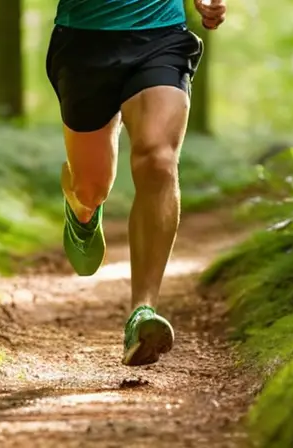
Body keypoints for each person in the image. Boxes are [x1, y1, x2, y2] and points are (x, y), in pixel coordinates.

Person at [46, 0, 227, 366]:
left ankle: (142, 311)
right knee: (92, 187)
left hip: (160, 36)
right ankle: (81, 206)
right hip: (84, 42)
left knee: (158, 159)